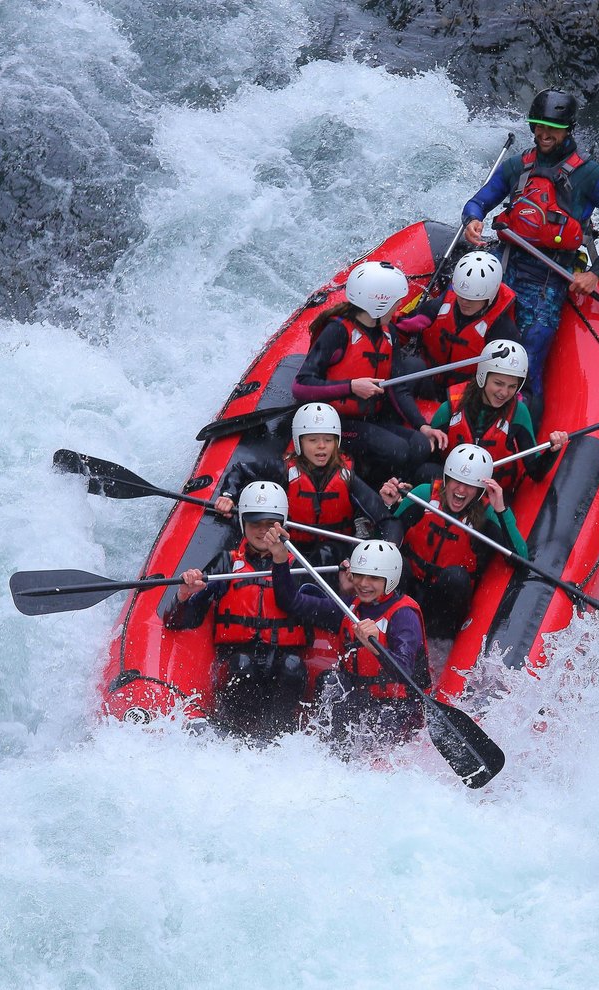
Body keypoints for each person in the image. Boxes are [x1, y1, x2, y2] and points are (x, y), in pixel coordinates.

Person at [461, 89, 599, 407]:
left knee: (528, 360)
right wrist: (473, 218)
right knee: (468, 325)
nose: (543, 134)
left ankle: (522, 436)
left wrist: (595, 273)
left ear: (568, 128)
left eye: (551, 128)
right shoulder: (519, 166)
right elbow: (479, 200)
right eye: (538, 126)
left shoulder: (591, 175)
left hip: (549, 277)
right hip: (507, 258)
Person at [164, 481, 311, 739]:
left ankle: (277, 736)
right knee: (242, 664)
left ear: (282, 524)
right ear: (243, 523)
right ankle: (239, 733)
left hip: (282, 657)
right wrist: (184, 595)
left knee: (292, 666)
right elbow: (183, 620)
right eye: (255, 524)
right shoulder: (227, 562)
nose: (262, 531)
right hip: (237, 658)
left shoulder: (299, 565)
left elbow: (322, 613)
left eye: (270, 524)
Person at [266, 530, 430, 750]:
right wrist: (279, 559)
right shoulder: (349, 607)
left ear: (390, 578)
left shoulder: (403, 615)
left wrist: (375, 646)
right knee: (331, 683)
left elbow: (405, 671)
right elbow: (291, 602)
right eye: (359, 575)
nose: (363, 583)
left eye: (373, 577)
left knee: (377, 727)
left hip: (399, 705)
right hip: (361, 699)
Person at [291, 260, 447, 484]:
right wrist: (352, 386)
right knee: (398, 451)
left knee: (421, 445)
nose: (399, 306)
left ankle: (398, 483)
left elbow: (398, 387)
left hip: (371, 416)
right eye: (395, 302)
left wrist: (422, 426)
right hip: (336, 423)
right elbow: (301, 386)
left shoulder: (388, 331)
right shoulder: (337, 332)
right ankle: (374, 484)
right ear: (379, 305)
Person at [213, 402, 398, 569]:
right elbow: (241, 469)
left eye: (328, 440)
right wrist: (228, 496)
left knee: (325, 553)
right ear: (299, 441)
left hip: (335, 550)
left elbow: (386, 520)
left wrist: (387, 549)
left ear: (337, 442)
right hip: (291, 544)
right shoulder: (285, 470)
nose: (321, 446)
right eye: (313, 440)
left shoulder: (347, 478)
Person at [379, 443, 530, 640]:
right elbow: (389, 531)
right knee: (396, 561)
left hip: (445, 602)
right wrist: (387, 506)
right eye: (455, 481)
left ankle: (439, 641)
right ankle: (388, 621)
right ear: (446, 479)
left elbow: (520, 558)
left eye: (469, 485)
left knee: (456, 577)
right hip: (410, 588)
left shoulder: (488, 513)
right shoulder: (424, 494)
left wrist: (502, 510)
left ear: (480, 489)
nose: (460, 490)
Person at [421, 340, 568, 494]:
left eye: (512, 386)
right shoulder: (451, 408)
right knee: (426, 471)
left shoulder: (519, 413)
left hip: (490, 495)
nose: (504, 393)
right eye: (498, 383)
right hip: (454, 489)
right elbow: (429, 455)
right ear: (483, 376)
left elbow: (535, 472)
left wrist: (553, 450)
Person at [395, 250, 520, 400]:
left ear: (490, 297)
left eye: (472, 299)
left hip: (468, 396)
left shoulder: (502, 330)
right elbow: (401, 328)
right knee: (411, 365)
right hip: (430, 382)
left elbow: (508, 379)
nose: (464, 302)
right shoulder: (440, 306)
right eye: (461, 296)